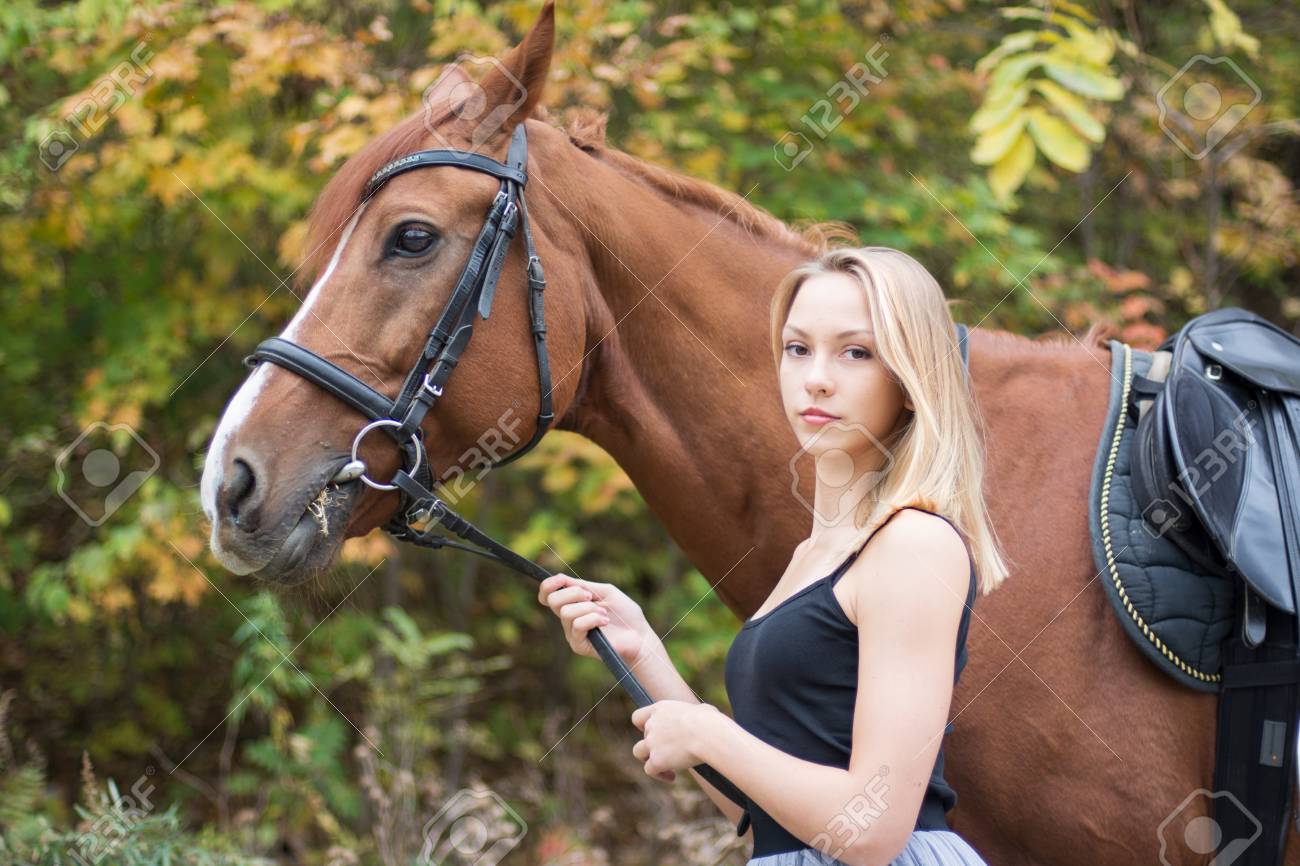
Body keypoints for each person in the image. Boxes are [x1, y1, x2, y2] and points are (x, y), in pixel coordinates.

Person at [538, 246, 1009, 865]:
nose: (816, 376)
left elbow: (870, 832)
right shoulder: (813, 555)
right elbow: (762, 813)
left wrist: (709, 731)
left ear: (912, 378)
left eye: (856, 352)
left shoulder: (913, 544)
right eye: (797, 348)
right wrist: (642, 650)